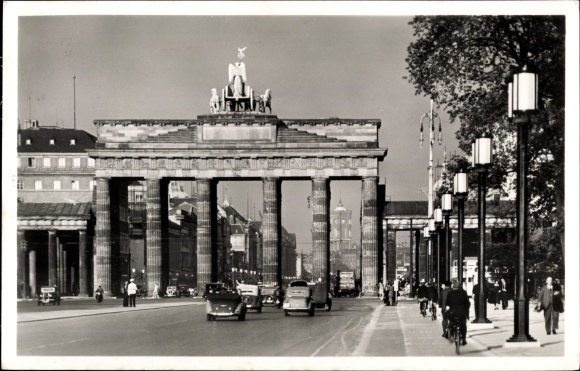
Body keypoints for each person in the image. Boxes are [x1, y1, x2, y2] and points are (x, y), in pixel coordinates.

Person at [445, 280, 471, 345]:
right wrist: (466, 310)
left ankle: (450, 335)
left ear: (453, 287)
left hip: (452, 313)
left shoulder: (450, 293)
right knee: (463, 326)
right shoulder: (464, 293)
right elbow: (467, 303)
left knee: (451, 323)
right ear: (460, 287)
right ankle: (463, 339)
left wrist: (447, 310)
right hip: (461, 313)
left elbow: (447, 303)